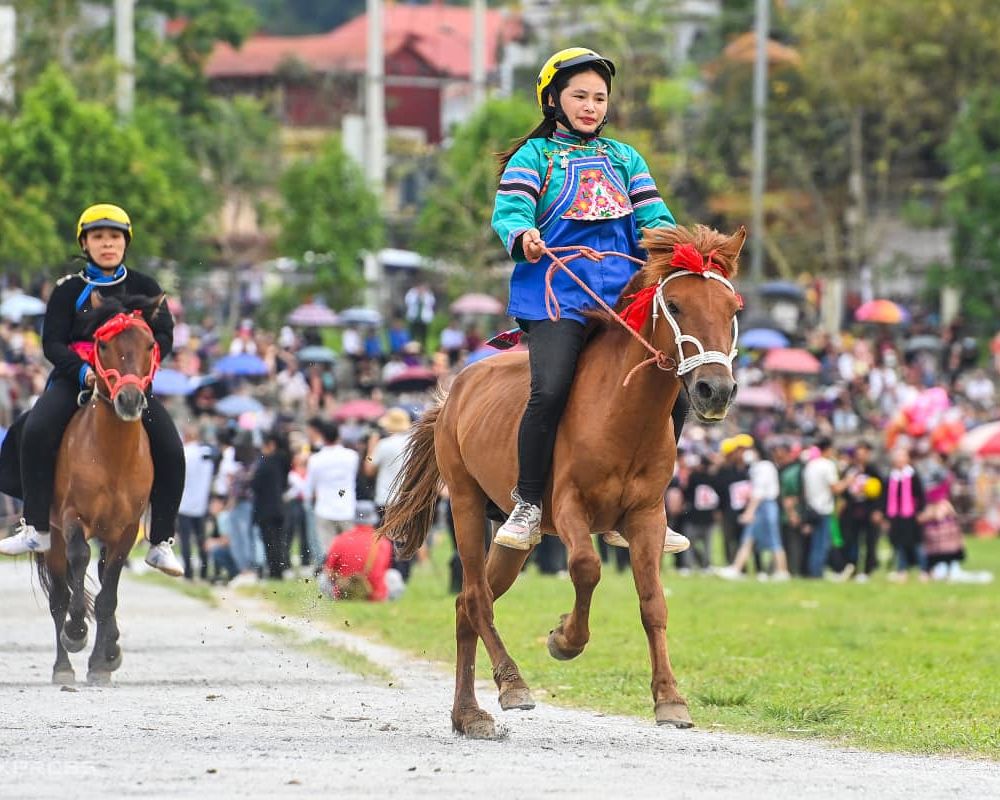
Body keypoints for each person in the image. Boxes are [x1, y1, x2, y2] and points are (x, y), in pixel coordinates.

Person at [490, 47, 690, 551]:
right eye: (579, 95)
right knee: (550, 390)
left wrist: (681, 253)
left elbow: (656, 220)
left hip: (625, 301)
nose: (591, 106)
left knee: (679, 389)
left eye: (599, 98)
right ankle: (529, 503)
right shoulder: (533, 157)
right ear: (553, 99)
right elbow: (511, 212)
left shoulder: (626, 159)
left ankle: (646, 503)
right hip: (556, 297)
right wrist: (523, 236)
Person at [0, 204, 184, 576]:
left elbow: (165, 335)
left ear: (125, 242)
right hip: (79, 378)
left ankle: (161, 541)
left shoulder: (146, 287)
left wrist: (140, 370)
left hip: (130, 380)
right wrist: (83, 372)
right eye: (98, 237)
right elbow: (51, 342)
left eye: (114, 237)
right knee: (35, 429)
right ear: (84, 243)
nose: (107, 244)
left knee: (171, 447)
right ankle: (35, 527)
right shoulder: (69, 290)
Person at [717, 442, 791, 581]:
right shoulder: (759, 466)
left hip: (765, 506)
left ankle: (782, 571)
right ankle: (737, 568)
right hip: (762, 505)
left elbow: (759, 492)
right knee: (749, 538)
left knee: (772, 538)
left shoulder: (764, 467)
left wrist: (750, 511)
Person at [317, 501, 398, 601]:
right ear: (373, 519)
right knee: (394, 576)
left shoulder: (340, 539)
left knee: (322, 578)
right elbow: (383, 570)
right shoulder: (383, 542)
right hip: (374, 595)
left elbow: (328, 571)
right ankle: (384, 600)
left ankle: (337, 599)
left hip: (344, 593)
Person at [304, 418, 359, 553]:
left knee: (329, 552)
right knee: (349, 550)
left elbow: (309, 486)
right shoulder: (352, 456)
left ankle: (331, 574)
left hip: (324, 508)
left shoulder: (315, 459)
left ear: (322, 437)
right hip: (346, 507)